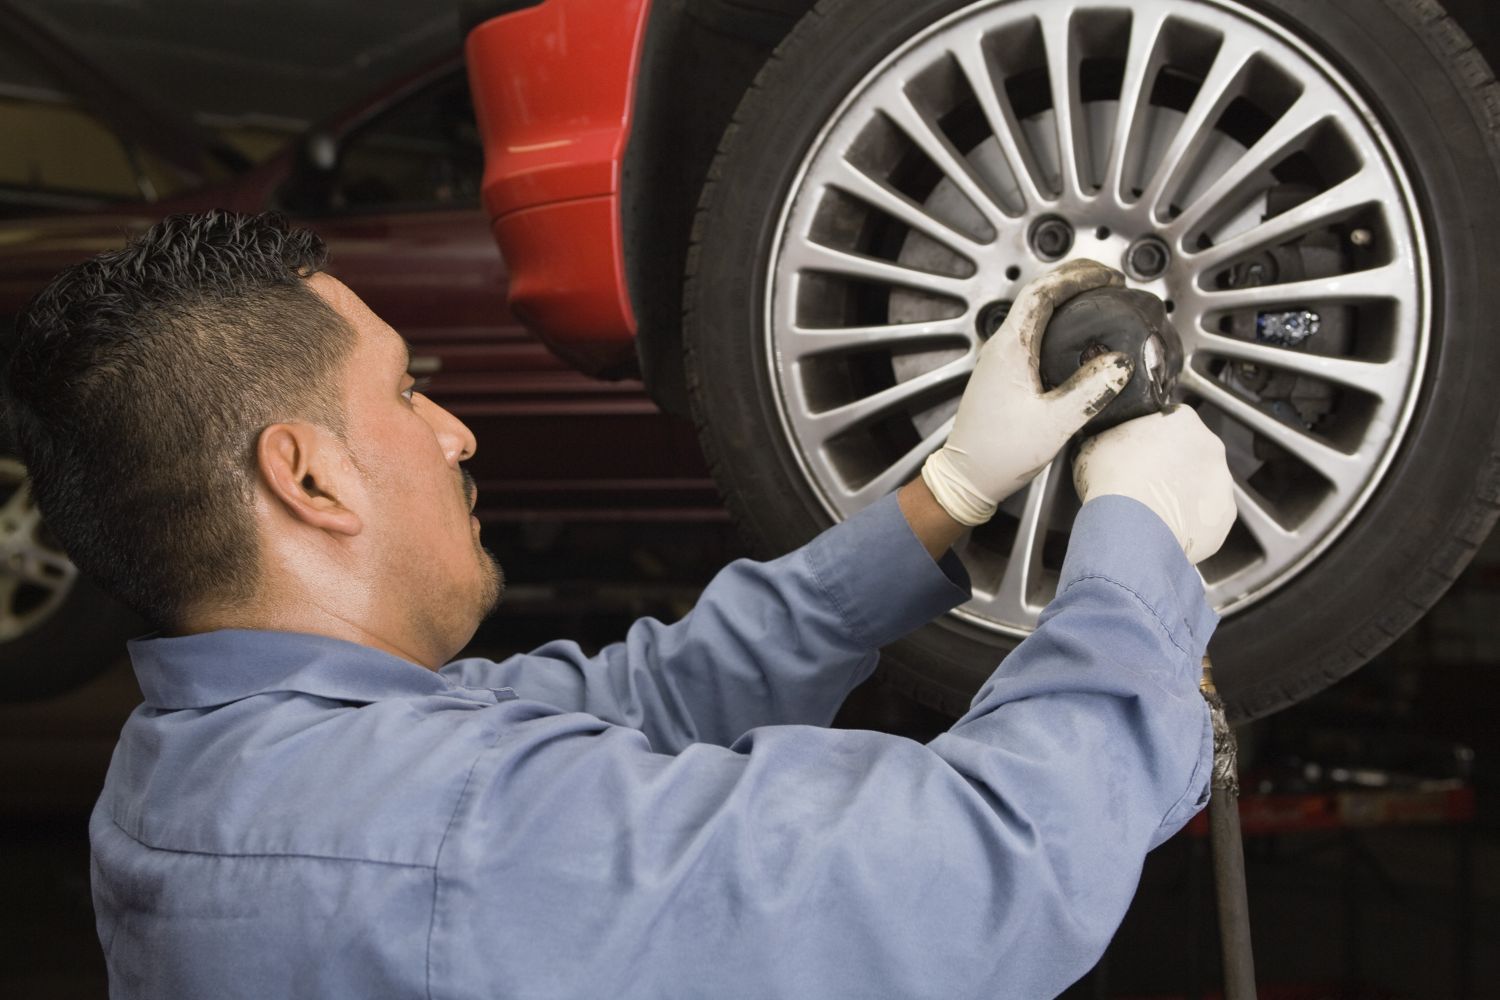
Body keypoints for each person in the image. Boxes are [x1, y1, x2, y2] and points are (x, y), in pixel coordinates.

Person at [6, 211, 1235, 999]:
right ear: (310, 476)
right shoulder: (447, 840)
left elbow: (644, 698)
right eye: (407, 392)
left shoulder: (204, 763)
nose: (455, 429)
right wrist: (1138, 546)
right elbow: (996, 861)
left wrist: (950, 490)